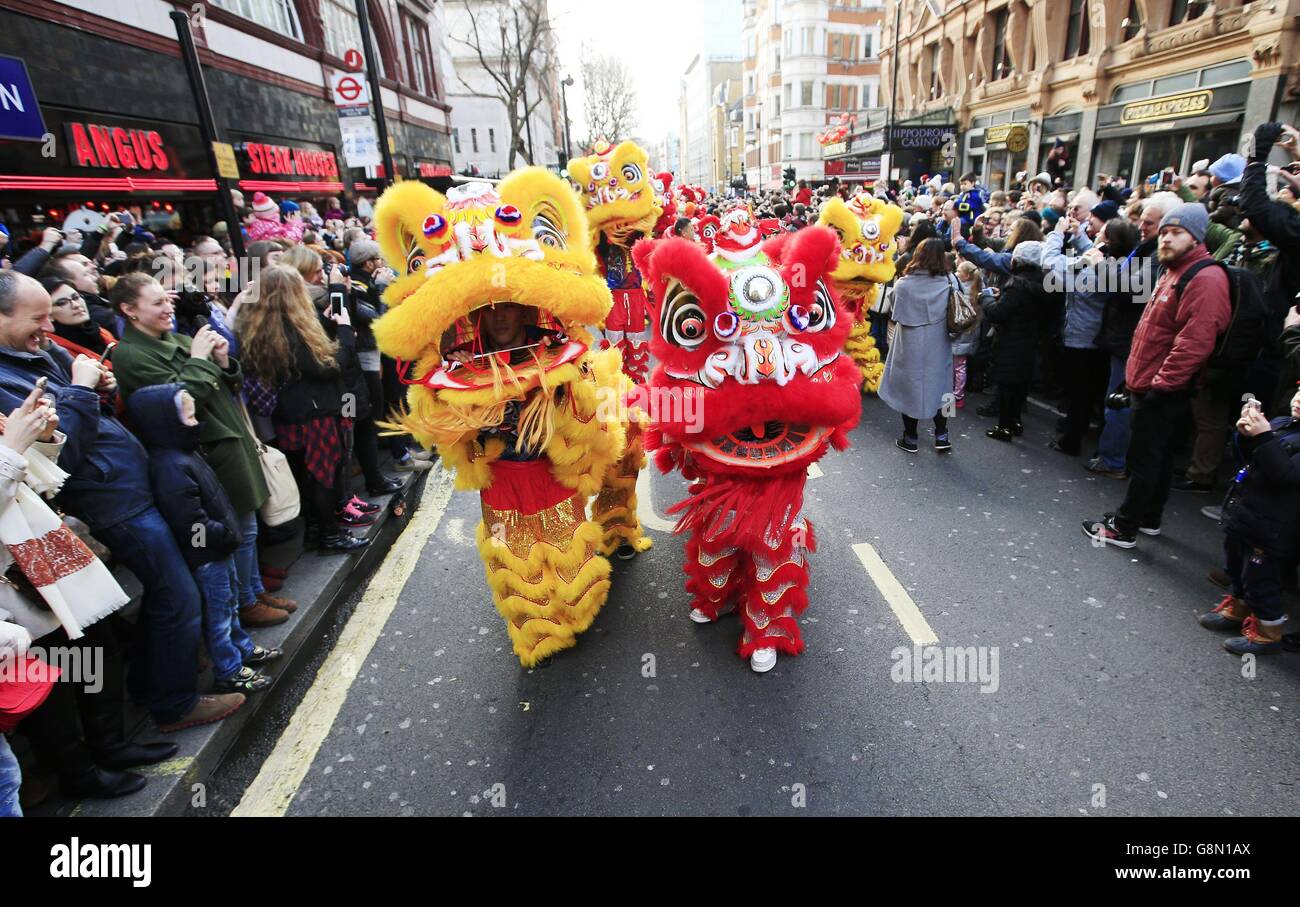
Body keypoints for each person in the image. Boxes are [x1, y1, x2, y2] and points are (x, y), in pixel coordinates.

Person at [0, 271, 245, 733]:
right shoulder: (7, 378)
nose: (48, 330)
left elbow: (80, 425)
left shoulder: (32, 356)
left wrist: (100, 394)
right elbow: (60, 457)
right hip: (112, 504)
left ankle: (158, 691)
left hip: (126, 491)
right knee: (177, 597)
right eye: (37, 319)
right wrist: (79, 390)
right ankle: (173, 704)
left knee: (169, 597)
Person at [109, 273, 295, 628]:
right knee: (234, 532)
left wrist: (224, 362)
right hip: (206, 452)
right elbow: (178, 403)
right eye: (157, 302)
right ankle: (244, 603)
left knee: (249, 527)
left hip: (230, 440)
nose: (168, 308)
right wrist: (198, 359)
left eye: (167, 300)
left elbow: (230, 387)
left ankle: (253, 591)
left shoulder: (176, 337)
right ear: (129, 310)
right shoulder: (131, 356)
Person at [1083, 203, 1232, 548]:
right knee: (1157, 457)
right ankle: (1147, 517)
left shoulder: (1205, 278)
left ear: (1195, 236)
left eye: (1175, 232)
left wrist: (1161, 386)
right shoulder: (1173, 270)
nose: (1165, 237)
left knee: (1145, 458)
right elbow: (1153, 332)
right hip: (1151, 381)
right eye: (1164, 231)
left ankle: (1124, 527)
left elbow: (1194, 343)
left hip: (1166, 389)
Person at [129, 385, 280, 693]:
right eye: (188, 415)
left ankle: (242, 649)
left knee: (230, 605)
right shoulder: (170, 466)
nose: (196, 420)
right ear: (166, 422)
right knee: (219, 615)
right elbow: (192, 525)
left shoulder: (185, 453)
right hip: (209, 557)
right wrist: (219, 540)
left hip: (219, 551)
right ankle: (229, 669)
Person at [236, 265, 368, 552]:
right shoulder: (289, 330)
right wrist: (345, 330)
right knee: (322, 477)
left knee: (311, 478)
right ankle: (330, 535)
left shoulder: (267, 326)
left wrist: (328, 322)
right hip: (313, 416)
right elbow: (328, 368)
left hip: (295, 415)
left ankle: (316, 532)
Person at [1196, 390, 1300, 654]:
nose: (1299, 399)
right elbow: (1251, 459)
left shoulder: (1272, 430)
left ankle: (1267, 631)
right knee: (1236, 566)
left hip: (1273, 525)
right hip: (1247, 514)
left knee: (1260, 579)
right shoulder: (1280, 423)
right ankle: (1237, 608)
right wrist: (1244, 436)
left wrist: (1263, 436)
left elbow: (1284, 475)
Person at [878, 238, 956, 453]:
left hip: (909, 343)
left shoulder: (905, 284)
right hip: (938, 343)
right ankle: (942, 435)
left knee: (909, 388)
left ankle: (910, 437)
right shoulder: (949, 281)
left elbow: (894, 311)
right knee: (942, 388)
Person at [982, 241, 1050, 440]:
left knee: (1006, 386)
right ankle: (1015, 421)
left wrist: (986, 299)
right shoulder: (1046, 281)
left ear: (1018, 261)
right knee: (1020, 385)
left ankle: (1004, 427)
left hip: (1011, 340)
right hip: (1032, 340)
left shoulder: (1016, 284)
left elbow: (999, 313)